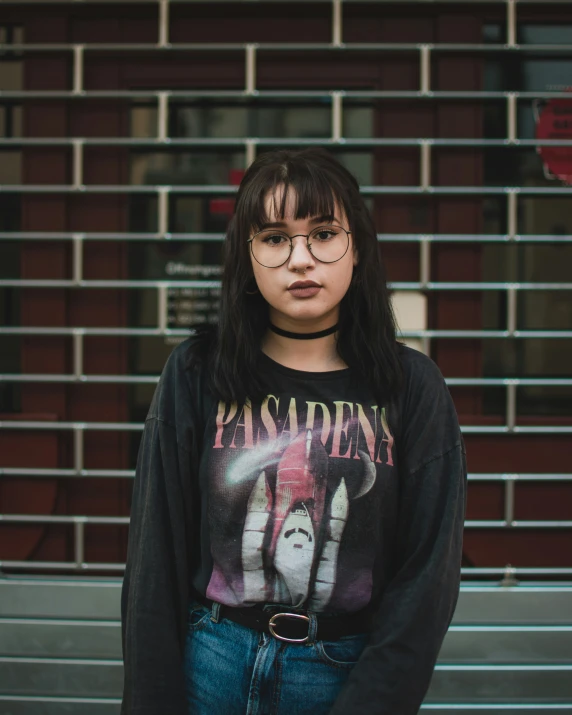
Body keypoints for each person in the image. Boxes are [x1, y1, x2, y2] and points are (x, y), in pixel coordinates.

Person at [120, 148, 467, 715]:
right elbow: (153, 558)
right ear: (248, 256)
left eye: (324, 233)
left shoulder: (412, 386)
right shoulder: (195, 373)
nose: (301, 259)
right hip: (211, 663)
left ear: (357, 249)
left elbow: (428, 578)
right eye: (276, 238)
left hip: (342, 673)